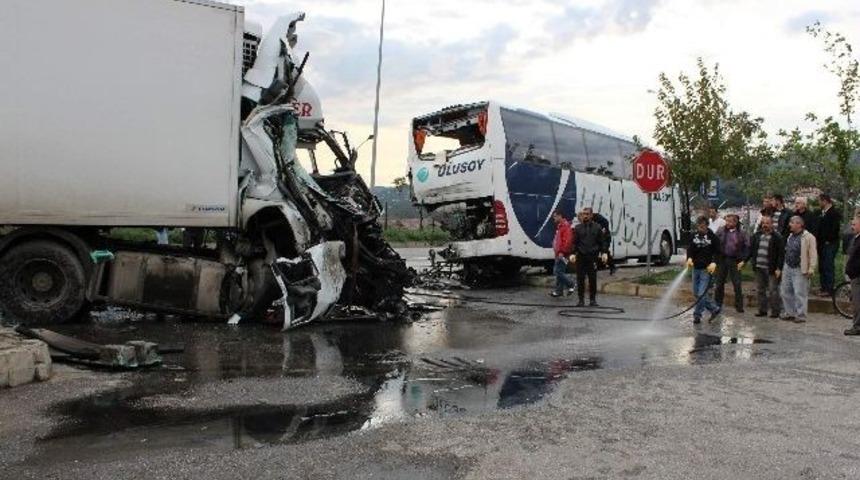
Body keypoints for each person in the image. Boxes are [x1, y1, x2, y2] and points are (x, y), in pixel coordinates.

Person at [780, 215, 818, 323]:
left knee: (799, 293)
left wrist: (811, 268)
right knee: (785, 291)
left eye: (792, 223)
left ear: (799, 224)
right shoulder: (790, 236)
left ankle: (801, 315)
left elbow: (813, 254)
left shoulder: (809, 237)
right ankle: (789, 313)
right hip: (788, 266)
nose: (790, 225)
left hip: (800, 268)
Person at [747, 215, 784, 318]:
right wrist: (744, 261)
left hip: (771, 268)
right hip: (758, 266)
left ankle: (775, 311)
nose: (765, 225)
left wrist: (779, 268)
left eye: (767, 223)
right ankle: (762, 310)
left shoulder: (777, 237)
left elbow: (781, 254)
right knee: (760, 289)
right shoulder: (757, 235)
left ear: (772, 224)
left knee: (773, 290)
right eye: (763, 223)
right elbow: (751, 250)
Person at [686, 216, 721, 324]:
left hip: (706, 269)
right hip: (695, 268)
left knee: (701, 293)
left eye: (702, 226)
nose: (700, 228)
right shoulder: (693, 236)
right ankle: (714, 308)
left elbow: (718, 252)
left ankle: (697, 315)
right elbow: (690, 249)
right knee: (696, 293)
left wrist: (714, 263)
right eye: (699, 226)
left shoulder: (713, 237)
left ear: (706, 225)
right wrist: (689, 258)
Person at [571, 207, 606, 307]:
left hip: (592, 257)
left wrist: (604, 252)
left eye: (587, 214)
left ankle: (592, 300)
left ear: (591, 215)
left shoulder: (597, 227)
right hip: (581, 257)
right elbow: (574, 243)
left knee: (592, 279)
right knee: (580, 279)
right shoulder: (578, 228)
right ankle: (581, 300)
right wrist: (572, 253)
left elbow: (602, 242)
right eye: (583, 214)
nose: (585, 216)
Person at [714, 214, 749, 313]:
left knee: (737, 283)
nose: (727, 223)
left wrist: (743, 259)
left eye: (730, 221)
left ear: (735, 222)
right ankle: (717, 304)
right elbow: (714, 241)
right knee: (719, 283)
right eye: (727, 221)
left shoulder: (741, 233)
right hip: (722, 259)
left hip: (735, 260)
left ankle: (739, 305)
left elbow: (747, 246)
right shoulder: (721, 230)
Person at [816, 193, 841, 297]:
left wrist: (828, 240)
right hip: (821, 244)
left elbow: (835, 229)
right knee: (822, 266)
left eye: (819, 201)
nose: (818, 203)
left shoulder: (834, 213)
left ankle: (829, 289)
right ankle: (823, 287)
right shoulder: (822, 213)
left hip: (830, 244)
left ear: (825, 201)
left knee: (828, 266)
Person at [550, 209, 575, 298]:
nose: (554, 218)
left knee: (557, 271)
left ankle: (571, 284)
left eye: (555, 216)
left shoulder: (565, 226)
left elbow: (567, 241)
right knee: (560, 271)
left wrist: (561, 252)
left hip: (562, 253)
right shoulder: (560, 226)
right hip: (559, 253)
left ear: (560, 216)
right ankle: (558, 291)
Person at [843, 216, 860, 336]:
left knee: (857, 303)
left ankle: (857, 326)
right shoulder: (856, 238)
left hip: (857, 275)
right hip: (855, 275)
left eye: (854, 224)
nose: (852, 227)